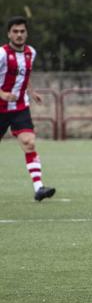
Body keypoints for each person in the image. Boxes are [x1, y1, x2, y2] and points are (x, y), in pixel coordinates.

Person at [0, 16, 56, 201]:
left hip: (19, 107)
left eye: (22, 31)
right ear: (9, 33)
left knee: (29, 142)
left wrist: (32, 92)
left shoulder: (31, 52)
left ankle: (39, 188)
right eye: (15, 31)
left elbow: (24, 74)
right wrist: (2, 94)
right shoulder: (1, 54)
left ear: (27, 33)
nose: (19, 35)